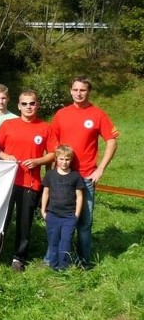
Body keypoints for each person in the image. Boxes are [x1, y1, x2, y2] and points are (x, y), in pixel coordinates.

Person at [50, 76, 118, 268]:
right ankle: (56, 259)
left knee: (84, 223)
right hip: (63, 178)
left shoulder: (98, 114)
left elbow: (112, 141)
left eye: (83, 90)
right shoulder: (61, 114)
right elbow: (52, 142)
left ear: (89, 92)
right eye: (75, 89)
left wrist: (101, 169)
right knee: (59, 220)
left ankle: (83, 262)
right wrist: (55, 169)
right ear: (70, 91)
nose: (78, 93)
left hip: (86, 176)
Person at [0, 89, 55, 270]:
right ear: (18, 106)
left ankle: (19, 257)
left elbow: (53, 154)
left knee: (24, 224)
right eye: (24, 104)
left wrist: (38, 161)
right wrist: (5, 156)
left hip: (30, 182)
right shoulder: (8, 125)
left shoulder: (45, 127)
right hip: (6, 182)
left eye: (32, 103)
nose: (28, 107)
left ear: (37, 105)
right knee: (1, 219)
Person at [41, 145, 84, 270]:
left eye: (67, 159)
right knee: (53, 241)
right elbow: (45, 193)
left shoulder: (76, 176)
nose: (64, 162)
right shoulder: (50, 175)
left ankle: (63, 267)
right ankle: (53, 265)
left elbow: (79, 197)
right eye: (61, 159)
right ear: (56, 159)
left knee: (65, 242)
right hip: (53, 215)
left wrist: (76, 215)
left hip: (69, 216)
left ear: (71, 160)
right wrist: (43, 211)